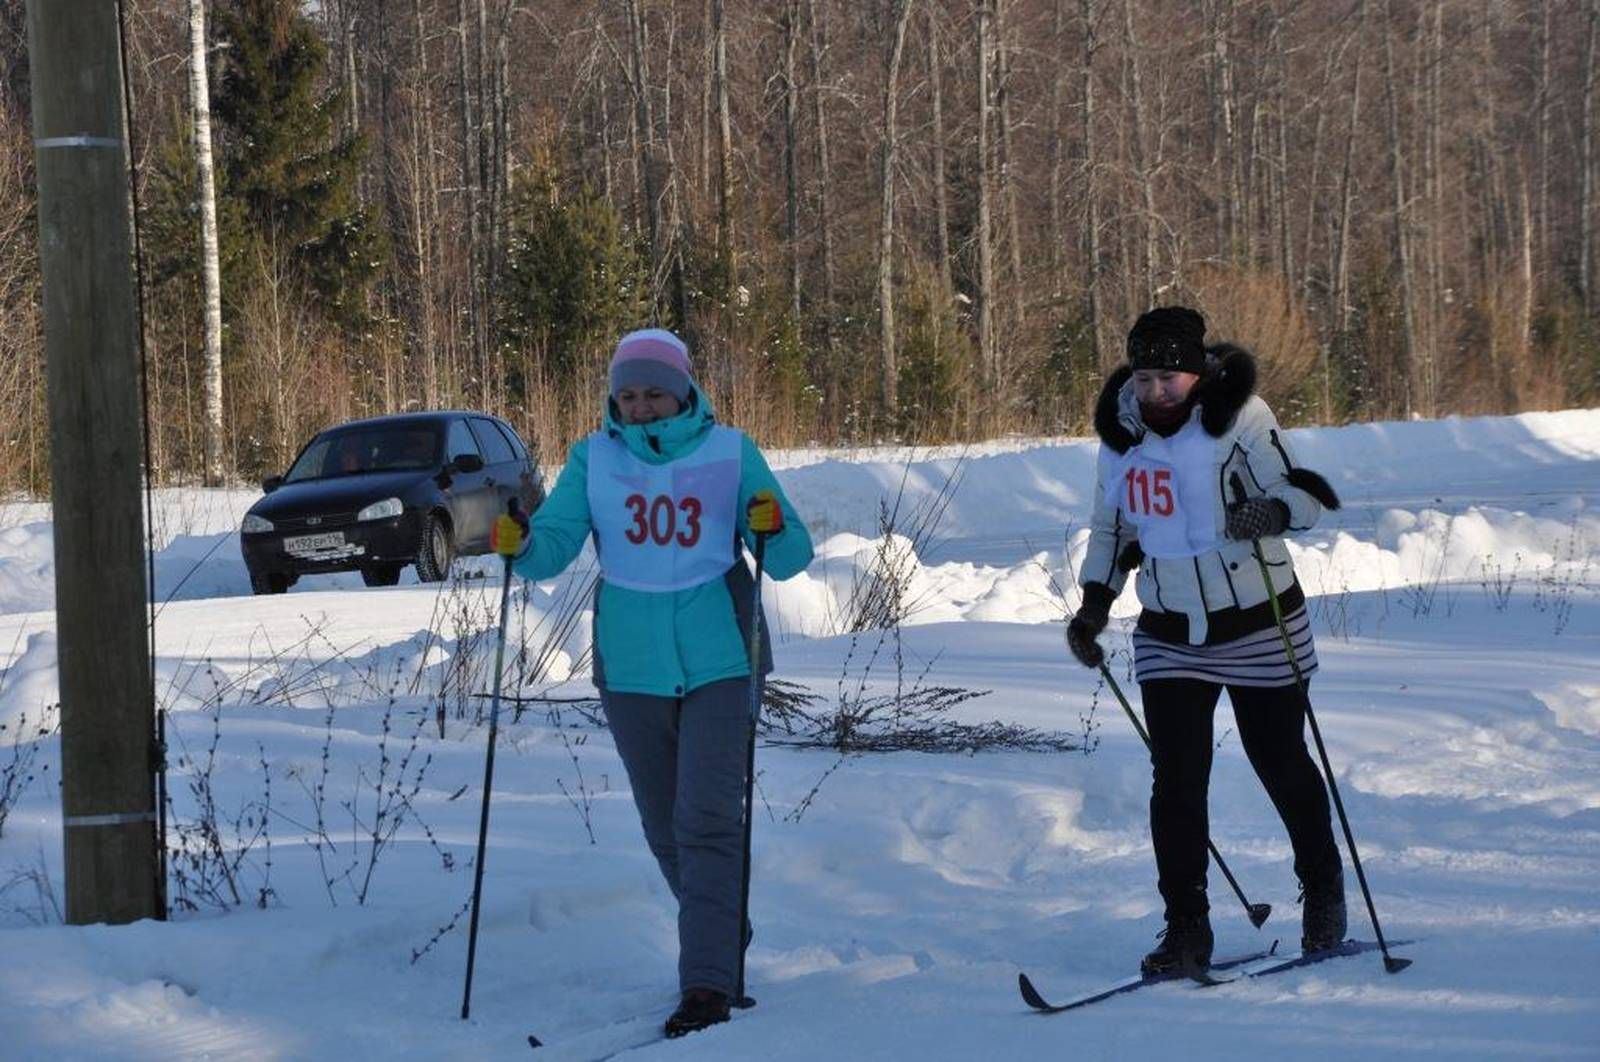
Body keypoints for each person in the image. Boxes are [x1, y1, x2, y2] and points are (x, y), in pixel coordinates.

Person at [499, 327, 813, 1038]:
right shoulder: (594, 459)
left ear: (684, 390)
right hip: (631, 664)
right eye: (627, 394)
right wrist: (518, 543)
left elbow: (791, 555)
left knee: (705, 820)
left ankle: (707, 983)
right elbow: (550, 548)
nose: (639, 406)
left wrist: (770, 527)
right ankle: (721, 929)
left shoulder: (731, 452)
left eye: (653, 392)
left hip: (722, 660)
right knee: (663, 826)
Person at [1065, 305, 1347, 975]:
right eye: (1144, 378)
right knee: (1178, 782)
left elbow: (1303, 498)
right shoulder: (1121, 439)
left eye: (1170, 378)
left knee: (1278, 759)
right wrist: (1094, 606)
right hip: (1168, 628)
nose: (1156, 392)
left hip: (1257, 617)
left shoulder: (1241, 418)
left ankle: (1324, 886)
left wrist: (1270, 511)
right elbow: (1111, 531)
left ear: (1196, 375)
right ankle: (1186, 928)